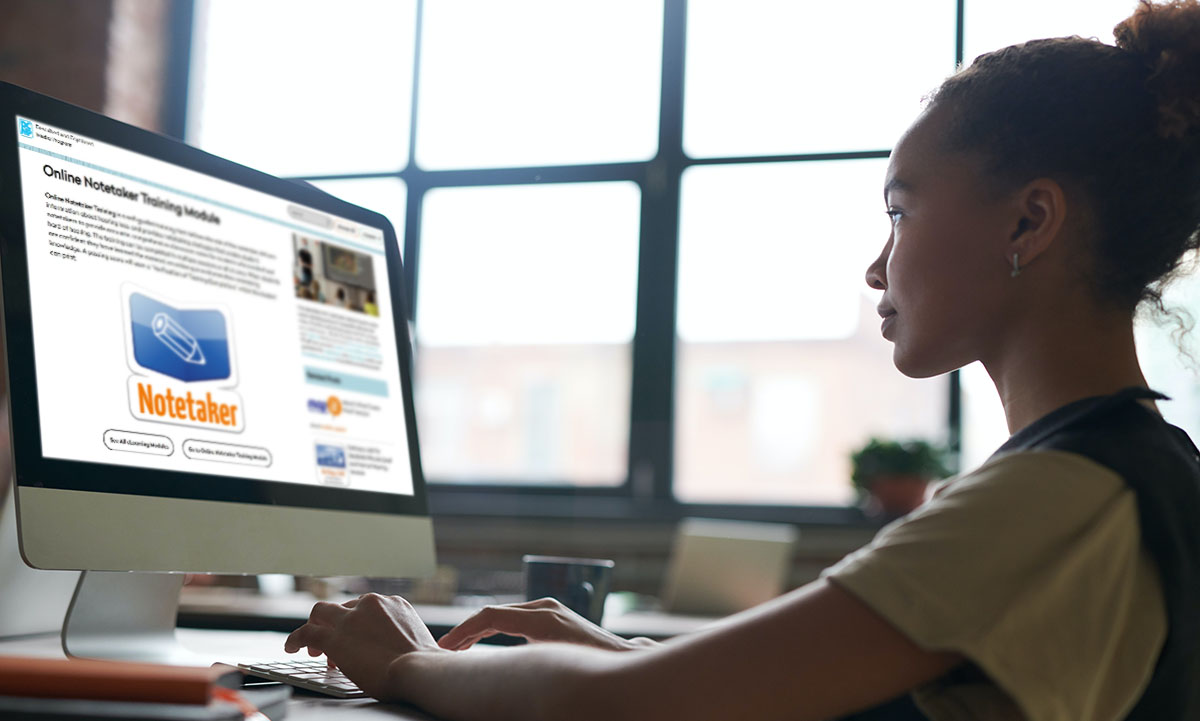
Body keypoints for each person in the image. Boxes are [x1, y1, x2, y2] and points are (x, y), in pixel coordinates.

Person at [283, 2, 1200, 719]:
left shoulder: (1059, 498)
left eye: (900, 209)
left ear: (1029, 221)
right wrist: (619, 649)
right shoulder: (1133, 475)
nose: (878, 264)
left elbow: (612, 713)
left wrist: (406, 662)